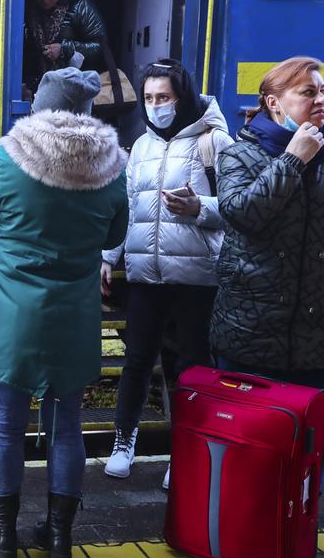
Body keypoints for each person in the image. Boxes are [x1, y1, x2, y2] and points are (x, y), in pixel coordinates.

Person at [0, 67, 127, 558]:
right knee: (67, 426)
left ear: (40, 107)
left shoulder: (8, 159)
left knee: (4, 426)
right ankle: (59, 539)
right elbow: (113, 231)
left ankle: (5, 533)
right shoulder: (112, 168)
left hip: (12, 316)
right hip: (73, 317)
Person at [101, 60, 233, 484]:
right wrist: (109, 255)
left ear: (184, 97)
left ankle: (188, 452)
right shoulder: (140, 146)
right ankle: (124, 442)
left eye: (165, 97)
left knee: (192, 365)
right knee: (137, 359)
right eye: (150, 98)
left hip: (196, 277)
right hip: (145, 274)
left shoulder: (215, 142)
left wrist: (200, 208)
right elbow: (128, 210)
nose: (156, 106)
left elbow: (236, 208)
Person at [211, 57, 324, 384]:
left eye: (322, 91)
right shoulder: (239, 154)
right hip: (250, 335)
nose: (319, 100)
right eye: (308, 92)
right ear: (274, 103)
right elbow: (244, 215)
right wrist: (293, 159)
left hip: (314, 344)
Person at [23, 0, 106, 95]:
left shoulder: (81, 7)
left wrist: (65, 49)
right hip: (41, 90)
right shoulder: (29, 9)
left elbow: (100, 47)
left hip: (76, 89)